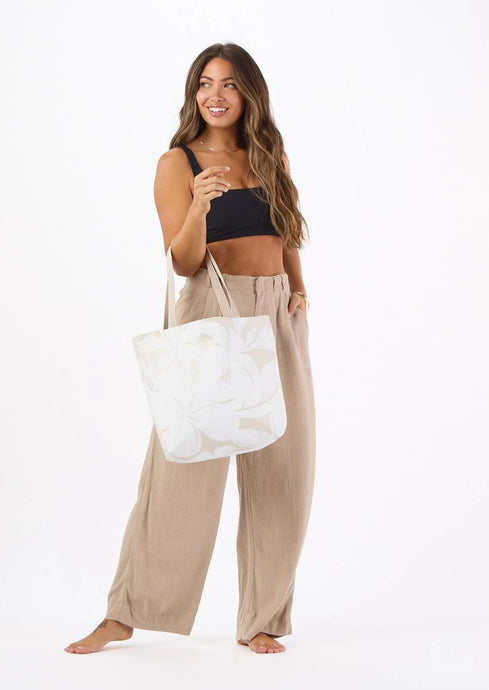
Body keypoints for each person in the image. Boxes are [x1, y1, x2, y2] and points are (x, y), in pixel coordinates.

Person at [64, 42, 315, 655]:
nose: (215, 94)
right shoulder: (176, 163)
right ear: (193, 93)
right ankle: (125, 613)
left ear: (249, 93)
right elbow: (182, 261)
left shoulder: (270, 153)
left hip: (278, 311)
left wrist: (298, 286)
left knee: (285, 467)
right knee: (182, 467)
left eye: (228, 83)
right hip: (212, 307)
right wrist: (200, 206)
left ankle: (262, 618)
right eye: (205, 83)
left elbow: (286, 232)